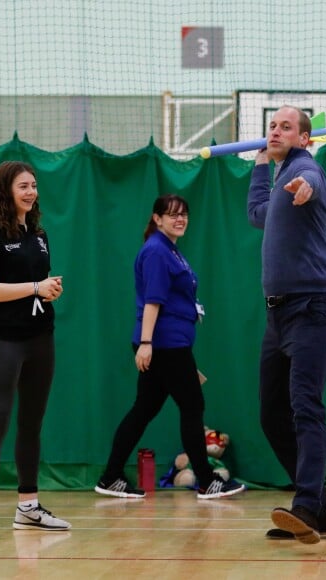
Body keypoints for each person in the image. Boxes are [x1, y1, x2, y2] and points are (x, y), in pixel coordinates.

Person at [95, 194, 246, 500]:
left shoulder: (170, 250)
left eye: (184, 214)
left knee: (144, 409)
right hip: (165, 344)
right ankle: (206, 481)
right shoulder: (156, 252)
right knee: (192, 407)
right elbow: (153, 300)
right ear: (157, 218)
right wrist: (147, 343)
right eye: (172, 214)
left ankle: (111, 476)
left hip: (170, 343)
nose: (180, 219)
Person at [247, 106, 326, 544]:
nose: (276, 130)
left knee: (306, 408)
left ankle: (304, 504)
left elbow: (313, 183)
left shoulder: (307, 168)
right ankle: (319, 512)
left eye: (286, 126)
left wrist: (304, 184)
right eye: (272, 125)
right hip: (276, 316)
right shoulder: (281, 176)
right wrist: (261, 167)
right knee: (271, 414)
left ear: (305, 138)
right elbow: (258, 213)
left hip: (310, 308)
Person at [0, 160, 70, 537]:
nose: (31, 192)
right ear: (6, 190)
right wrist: (34, 287)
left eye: (34, 185)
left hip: (41, 337)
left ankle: (28, 506)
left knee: (32, 423)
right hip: (5, 341)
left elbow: (38, 282)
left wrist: (49, 288)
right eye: (23, 186)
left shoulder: (38, 233)